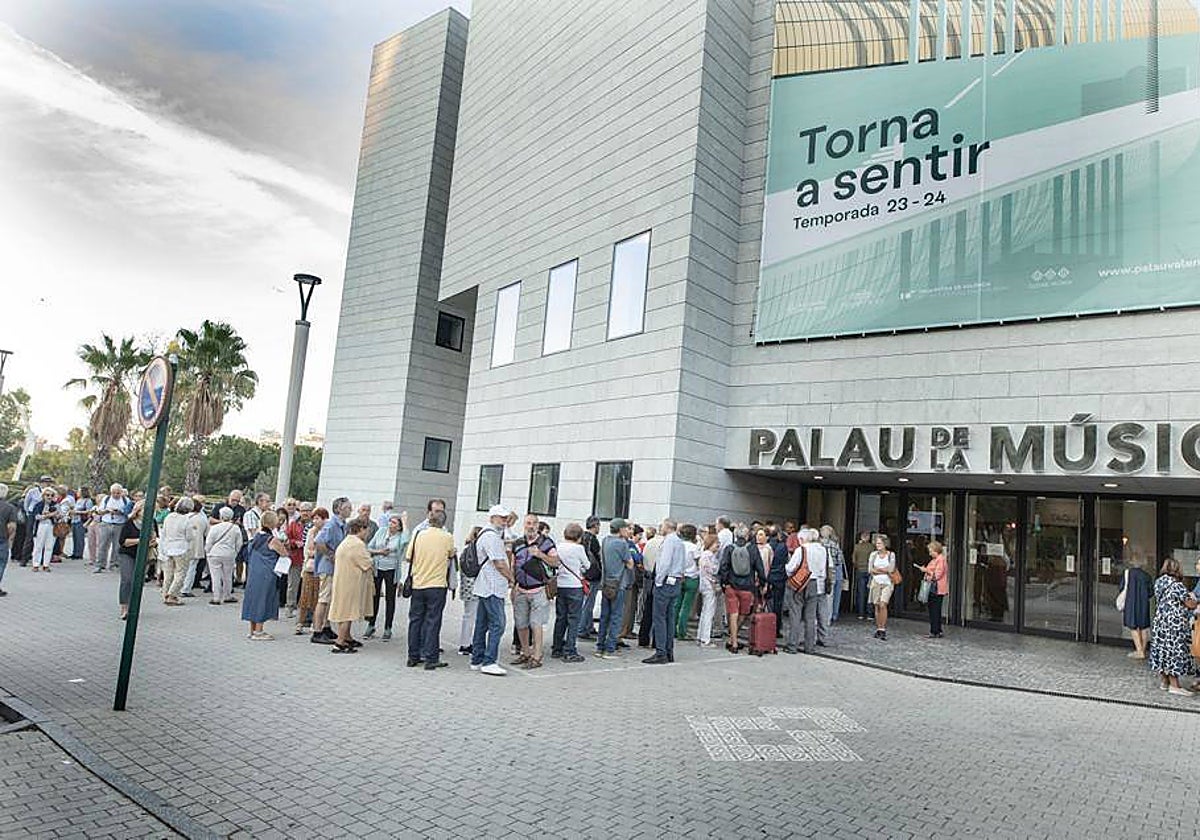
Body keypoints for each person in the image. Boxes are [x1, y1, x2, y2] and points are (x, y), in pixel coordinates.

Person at [405, 509, 456, 670]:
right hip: (437, 584)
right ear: (443, 522)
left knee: (415, 620)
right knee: (433, 621)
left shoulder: (419, 535)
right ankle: (431, 657)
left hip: (418, 583)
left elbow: (408, 556)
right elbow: (450, 555)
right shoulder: (447, 537)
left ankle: (413, 656)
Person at [471, 505, 516, 676]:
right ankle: (489, 661)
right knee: (498, 623)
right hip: (492, 586)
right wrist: (511, 578)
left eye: (505, 518)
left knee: (482, 624)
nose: (504, 521)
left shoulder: (488, 534)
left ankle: (477, 659)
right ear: (492, 518)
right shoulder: (491, 537)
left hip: (486, 585)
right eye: (501, 518)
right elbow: (499, 563)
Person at [510, 513, 558, 669]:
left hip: (539, 589)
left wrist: (540, 554)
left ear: (538, 526)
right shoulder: (518, 543)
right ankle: (525, 653)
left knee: (536, 624)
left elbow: (556, 562)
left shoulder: (546, 543)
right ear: (524, 525)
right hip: (521, 589)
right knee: (521, 623)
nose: (530, 526)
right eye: (528, 523)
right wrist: (512, 585)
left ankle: (537, 656)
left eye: (533, 523)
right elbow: (513, 564)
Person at [1147, 558, 1198, 695]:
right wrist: (1195, 600)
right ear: (1176, 570)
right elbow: (1190, 604)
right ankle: (1175, 686)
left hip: (1160, 622)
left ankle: (1165, 682)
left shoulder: (1159, 582)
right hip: (1173, 625)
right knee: (1173, 653)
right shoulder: (1177, 586)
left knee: (1162, 651)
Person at [327, 518, 374, 654]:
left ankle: (347, 638)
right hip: (350, 583)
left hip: (343, 581)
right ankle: (339, 642)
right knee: (347, 613)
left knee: (346, 611)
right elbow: (366, 562)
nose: (367, 533)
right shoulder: (357, 544)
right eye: (366, 530)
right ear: (361, 529)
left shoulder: (346, 541)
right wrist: (372, 559)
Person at [718, 525, 765, 653]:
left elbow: (723, 567)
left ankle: (732, 642)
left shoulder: (729, 548)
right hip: (747, 587)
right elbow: (760, 568)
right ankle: (734, 637)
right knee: (744, 614)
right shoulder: (752, 549)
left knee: (733, 613)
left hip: (731, 586)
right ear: (747, 535)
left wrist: (725, 583)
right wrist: (763, 583)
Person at [241, 511, 288, 640]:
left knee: (253, 599)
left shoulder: (256, 536)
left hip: (254, 572)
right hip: (267, 573)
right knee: (263, 599)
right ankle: (259, 631)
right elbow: (284, 553)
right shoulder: (272, 539)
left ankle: (252, 630)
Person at [644, 519, 685, 665]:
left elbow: (664, 562)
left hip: (666, 581)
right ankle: (668, 650)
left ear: (667, 527)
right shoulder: (679, 542)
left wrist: (659, 581)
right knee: (669, 617)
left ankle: (661, 652)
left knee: (659, 617)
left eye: (662, 526)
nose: (660, 528)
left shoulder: (668, 541)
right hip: (676, 581)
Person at [310, 498, 350, 645]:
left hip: (335, 568)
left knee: (330, 599)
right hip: (327, 567)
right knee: (324, 598)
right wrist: (330, 555)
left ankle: (326, 627)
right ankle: (317, 631)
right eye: (347, 507)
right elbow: (319, 541)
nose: (350, 510)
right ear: (339, 509)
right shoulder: (332, 525)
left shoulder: (342, 525)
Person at [365, 511, 409, 640]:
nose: (390, 524)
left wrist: (405, 522)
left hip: (391, 570)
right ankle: (371, 624)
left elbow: (407, 539)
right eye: (390, 521)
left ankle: (388, 627)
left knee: (390, 598)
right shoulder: (381, 531)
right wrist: (379, 552)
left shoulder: (401, 536)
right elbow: (369, 547)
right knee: (375, 596)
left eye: (394, 522)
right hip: (378, 568)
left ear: (399, 526)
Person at [550, 522, 588, 663]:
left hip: (561, 585)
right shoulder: (579, 548)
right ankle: (570, 650)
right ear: (579, 536)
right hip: (574, 586)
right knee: (573, 619)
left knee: (561, 618)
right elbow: (587, 565)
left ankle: (557, 648)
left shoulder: (558, 547)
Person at [597, 517, 633, 659]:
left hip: (606, 582)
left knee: (604, 616)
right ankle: (610, 648)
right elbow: (630, 564)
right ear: (621, 529)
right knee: (616, 616)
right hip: (619, 584)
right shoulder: (622, 543)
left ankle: (600, 646)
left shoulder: (605, 540)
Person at [115, 499, 154, 620]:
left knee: (139, 581)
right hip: (127, 553)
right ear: (138, 510)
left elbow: (155, 538)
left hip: (143, 555)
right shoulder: (130, 523)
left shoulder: (152, 523)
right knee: (127, 580)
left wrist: (152, 542)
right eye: (144, 509)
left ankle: (133, 606)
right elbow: (123, 542)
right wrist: (140, 540)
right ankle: (124, 608)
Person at [295, 507, 327, 634]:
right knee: (305, 597)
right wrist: (315, 553)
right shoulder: (311, 531)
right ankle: (300, 623)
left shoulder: (326, 531)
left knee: (317, 597)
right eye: (314, 518)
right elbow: (307, 550)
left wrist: (316, 552)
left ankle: (316, 623)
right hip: (310, 567)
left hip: (321, 569)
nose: (315, 521)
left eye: (317, 518)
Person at [159, 497, 196, 605]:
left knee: (168, 573)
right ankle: (172, 594)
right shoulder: (187, 520)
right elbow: (189, 537)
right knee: (180, 573)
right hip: (181, 548)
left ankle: (165, 593)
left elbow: (164, 532)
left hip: (168, 547)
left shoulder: (169, 517)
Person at [204, 506, 243, 606]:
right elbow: (239, 543)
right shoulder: (235, 528)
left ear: (221, 516)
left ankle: (216, 597)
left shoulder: (214, 528)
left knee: (215, 576)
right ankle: (227, 595)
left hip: (214, 553)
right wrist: (235, 552)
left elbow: (209, 542)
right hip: (229, 554)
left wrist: (208, 552)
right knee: (228, 576)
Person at [1117, 558, 1153, 659]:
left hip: (1131, 602)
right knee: (1144, 627)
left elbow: (1121, 588)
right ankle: (1143, 649)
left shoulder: (1128, 573)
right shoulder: (1147, 576)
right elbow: (1151, 592)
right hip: (1144, 603)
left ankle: (1139, 651)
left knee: (1133, 626)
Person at [94, 484, 132, 573]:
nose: (116, 495)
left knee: (117, 546)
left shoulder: (126, 500)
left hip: (120, 524)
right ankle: (100, 564)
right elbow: (99, 511)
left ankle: (114, 564)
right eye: (113, 493)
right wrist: (107, 510)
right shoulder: (106, 499)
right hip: (106, 523)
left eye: (118, 493)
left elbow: (129, 512)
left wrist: (120, 512)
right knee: (102, 545)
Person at [915, 540, 949, 639]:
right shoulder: (934, 560)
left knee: (935, 610)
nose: (929, 553)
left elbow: (937, 575)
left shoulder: (940, 559)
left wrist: (925, 570)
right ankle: (937, 630)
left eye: (931, 550)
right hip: (934, 587)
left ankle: (934, 631)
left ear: (936, 550)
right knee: (934, 609)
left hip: (936, 588)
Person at [638, 524, 664, 648]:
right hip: (659, 578)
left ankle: (643, 638)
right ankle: (656, 641)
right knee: (659, 612)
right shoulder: (664, 544)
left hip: (648, 576)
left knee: (647, 609)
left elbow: (644, 559)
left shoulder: (649, 543)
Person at [577, 516, 603, 641]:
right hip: (593, 574)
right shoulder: (593, 540)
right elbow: (598, 557)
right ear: (595, 525)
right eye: (598, 525)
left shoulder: (582, 537)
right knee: (588, 603)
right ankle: (583, 629)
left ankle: (588, 626)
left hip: (584, 573)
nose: (599, 528)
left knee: (586, 601)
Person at [178, 496, 210, 598]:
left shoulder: (183, 517)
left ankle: (177, 587)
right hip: (196, 545)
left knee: (181, 568)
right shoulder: (202, 519)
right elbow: (207, 533)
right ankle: (186, 588)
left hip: (182, 545)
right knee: (192, 568)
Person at [457, 527, 481, 655]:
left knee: (468, 615)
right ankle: (466, 644)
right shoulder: (477, 550)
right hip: (475, 587)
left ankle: (465, 643)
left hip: (466, 587)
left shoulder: (466, 549)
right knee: (472, 617)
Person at [674, 526, 701, 641]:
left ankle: (672, 629)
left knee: (676, 605)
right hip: (691, 577)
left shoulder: (678, 546)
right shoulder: (694, 548)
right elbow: (698, 562)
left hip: (679, 576)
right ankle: (682, 631)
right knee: (686, 607)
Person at [240, 493, 271, 586]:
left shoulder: (266, 514)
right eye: (267, 501)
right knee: (253, 567)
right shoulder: (250, 514)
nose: (269, 504)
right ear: (260, 501)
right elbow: (253, 532)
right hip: (255, 543)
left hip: (265, 543)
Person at [868, 535, 896, 641]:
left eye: (879, 543)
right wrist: (884, 570)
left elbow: (891, 569)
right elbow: (870, 569)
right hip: (876, 582)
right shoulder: (873, 555)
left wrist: (878, 569)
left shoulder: (891, 555)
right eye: (876, 543)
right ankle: (878, 628)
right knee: (876, 606)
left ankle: (883, 628)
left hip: (887, 583)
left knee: (883, 604)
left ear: (885, 544)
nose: (877, 545)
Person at [283, 500, 307, 618]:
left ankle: (304, 608)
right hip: (296, 556)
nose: (305, 513)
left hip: (310, 559)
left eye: (308, 510)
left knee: (308, 584)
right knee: (293, 583)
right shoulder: (293, 524)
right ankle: (290, 606)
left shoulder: (315, 524)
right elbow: (286, 540)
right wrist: (294, 543)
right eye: (303, 510)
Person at [697, 529, 720, 648]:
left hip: (703, 585)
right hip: (709, 586)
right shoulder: (709, 556)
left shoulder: (703, 554)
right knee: (709, 612)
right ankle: (706, 639)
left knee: (704, 611)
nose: (718, 545)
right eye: (717, 543)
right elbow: (712, 571)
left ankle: (701, 636)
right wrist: (715, 582)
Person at [820, 525, 846, 623]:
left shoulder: (818, 544)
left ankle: (818, 618)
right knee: (830, 596)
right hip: (832, 572)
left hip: (820, 572)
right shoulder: (834, 544)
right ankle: (829, 618)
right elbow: (839, 560)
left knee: (818, 596)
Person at [30, 486, 59, 572]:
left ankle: (46, 564)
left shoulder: (55, 505)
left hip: (51, 526)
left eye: (51, 495)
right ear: (43, 496)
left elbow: (59, 516)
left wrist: (56, 515)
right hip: (41, 526)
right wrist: (49, 515)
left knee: (49, 546)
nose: (50, 497)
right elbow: (36, 517)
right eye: (47, 495)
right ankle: (36, 564)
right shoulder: (39, 505)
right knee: (38, 546)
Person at [852, 531, 873, 619]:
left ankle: (860, 613)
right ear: (868, 538)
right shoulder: (872, 547)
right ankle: (869, 614)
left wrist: (857, 566)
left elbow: (853, 559)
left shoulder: (857, 547)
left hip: (860, 570)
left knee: (861, 592)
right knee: (870, 593)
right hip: (869, 570)